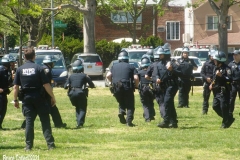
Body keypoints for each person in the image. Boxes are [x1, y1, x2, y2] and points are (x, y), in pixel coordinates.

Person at [13, 47, 56, 150]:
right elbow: (46, 85)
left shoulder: (19, 69)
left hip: (27, 98)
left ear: (24, 57)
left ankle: (28, 146)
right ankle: (50, 145)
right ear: (34, 56)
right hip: (39, 97)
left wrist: (15, 100)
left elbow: (16, 87)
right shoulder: (39, 68)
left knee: (29, 121)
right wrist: (52, 96)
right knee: (45, 120)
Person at [106, 50, 139, 127]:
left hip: (116, 88)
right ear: (127, 58)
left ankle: (121, 111)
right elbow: (136, 78)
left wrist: (112, 82)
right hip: (127, 87)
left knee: (121, 101)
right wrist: (136, 86)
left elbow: (108, 75)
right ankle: (129, 122)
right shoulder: (131, 66)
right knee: (130, 105)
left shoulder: (114, 66)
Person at [155, 47, 183, 128]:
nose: (159, 56)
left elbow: (180, 73)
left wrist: (172, 70)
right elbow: (157, 73)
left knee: (167, 102)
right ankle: (174, 122)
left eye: (161, 54)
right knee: (169, 103)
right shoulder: (159, 64)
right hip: (163, 86)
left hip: (172, 85)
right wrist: (157, 79)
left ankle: (166, 121)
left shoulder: (173, 63)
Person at [64, 59, 95, 128]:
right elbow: (92, 85)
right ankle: (80, 123)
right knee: (82, 108)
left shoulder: (71, 76)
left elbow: (65, 86)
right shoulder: (84, 76)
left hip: (72, 94)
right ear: (82, 68)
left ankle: (78, 122)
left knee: (77, 107)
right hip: (80, 93)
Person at [209, 51, 234, 128]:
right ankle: (228, 118)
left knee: (223, 107)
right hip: (216, 91)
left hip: (224, 91)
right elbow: (214, 78)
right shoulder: (215, 68)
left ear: (220, 60)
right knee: (215, 106)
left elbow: (230, 79)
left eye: (215, 60)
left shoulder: (227, 69)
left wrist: (221, 76)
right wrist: (212, 84)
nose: (214, 61)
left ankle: (225, 123)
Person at [42, 55, 67, 128]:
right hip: (45, 93)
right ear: (50, 63)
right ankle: (58, 124)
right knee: (53, 109)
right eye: (53, 63)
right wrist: (51, 96)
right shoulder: (47, 70)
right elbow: (46, 84)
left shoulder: (43, 68)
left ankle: (58, 123)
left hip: (42, 93)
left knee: (35, 111)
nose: (54, 64)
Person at [138, 57, 155, 122]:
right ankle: (151, 115)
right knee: (150, 102)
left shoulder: (139, 72)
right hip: (151, 88)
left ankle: (147, 118)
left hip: (143, 89)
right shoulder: (152, 72)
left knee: (145, 104)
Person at [0, 55, 13, 130]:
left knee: (3, 110)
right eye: (11, 63)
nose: (13, 64)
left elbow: (9, 83)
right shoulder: (1, 70)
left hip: (4, 94)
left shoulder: (7, 71)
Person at [200, 50, 215, 115]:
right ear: (209, 56)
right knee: (206, 97)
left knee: (217, 97)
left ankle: (218, 108)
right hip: (207, 82)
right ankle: (205, 110)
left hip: (215, 82)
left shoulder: (217, 63)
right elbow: (202, 73)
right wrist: (206, 78)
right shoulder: (206, 63)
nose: (212, 57)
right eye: (211, 56)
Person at [228, 50, 240, 120]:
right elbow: (229, 75)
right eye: (233, 55)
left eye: (236, 55)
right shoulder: (230, 65)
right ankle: (230, 113)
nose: (234, 56)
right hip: (233, 85)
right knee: (231, 99)